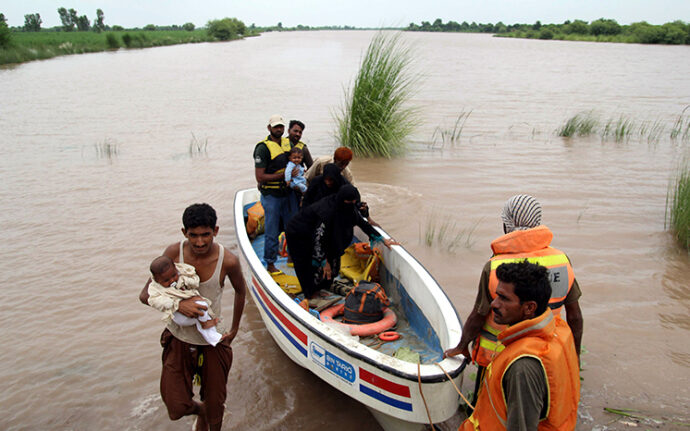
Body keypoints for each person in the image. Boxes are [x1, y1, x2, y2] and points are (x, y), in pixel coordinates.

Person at [444, 194, 584, 408]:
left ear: (506, 224)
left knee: (485, 408)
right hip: (544, 353)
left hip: (498, 354)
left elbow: (479, 314)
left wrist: (462, 346)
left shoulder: (495, 267)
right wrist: (573, 355)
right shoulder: (561, 260)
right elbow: (574, 316)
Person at [139, 203, 246, 431]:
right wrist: (179, 305)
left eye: (205, 235)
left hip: (213, 339)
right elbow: (144, 295)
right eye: (193, 235)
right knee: (176, 407)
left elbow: (240, 290)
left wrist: (235, 329)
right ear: (184, 233)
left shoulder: (228, 261)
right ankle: (201, 412)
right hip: (178, 337)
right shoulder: (172, 254)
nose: (199, 242)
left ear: (215, 231)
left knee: (216, 407)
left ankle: (209, 416)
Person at [458, 260, 580, 431]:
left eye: (504, 298)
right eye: (496, 295)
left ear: (530, 307)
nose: (494, 304)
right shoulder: (558, 328)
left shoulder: (522, 367)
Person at [285, 184, 396, 299]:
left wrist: (382, 239)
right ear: (343, 200)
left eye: (354, 201)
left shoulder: (349, 208)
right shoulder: (327, 211)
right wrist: (324, 261)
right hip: (299, 232)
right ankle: (311, 293)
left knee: (334, 266)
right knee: (308, 264)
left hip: (319, 233)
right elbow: (318, 239)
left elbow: (363, 224)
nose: (352, 204)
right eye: (349, 202)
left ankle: (322, 287)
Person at [254, 114, 299, 274]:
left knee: (293, 228)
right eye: (275, 127)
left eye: (281, 126)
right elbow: (260, 177)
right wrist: (284, 176)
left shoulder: (289, 143)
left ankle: (292, 257)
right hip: (271, 195)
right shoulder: (263, 148)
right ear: (269, 128)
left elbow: (299, 158)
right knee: (271, 232)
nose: (278, 129)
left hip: (288, 194)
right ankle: (271, 264)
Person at [148, 255, 222, 346]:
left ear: (176, 269)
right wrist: (175, 303)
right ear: (157, 280)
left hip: (192, 316)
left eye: (174, 275)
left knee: (202, 308)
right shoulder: (155, 288)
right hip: (179, 317)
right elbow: (154, 301)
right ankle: (204, 323)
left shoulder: (182, 274)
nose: (172, 280)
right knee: (202, 305)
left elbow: (194, 281)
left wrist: (185, 281)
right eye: (166, 280)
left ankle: (213, 336)